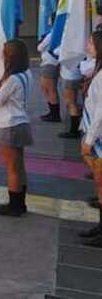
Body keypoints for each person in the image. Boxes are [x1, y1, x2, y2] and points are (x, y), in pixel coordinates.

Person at [0, 39, 33, 217]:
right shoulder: (27, 73)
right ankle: (20, 202)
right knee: (19, 165)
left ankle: (14, 205)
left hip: (9, 124)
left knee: (12, 167)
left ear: (11, 56)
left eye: (4, 51)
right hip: (21, 122)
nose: (1, 54)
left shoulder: (13, 79)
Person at [79, 31, 102, 246]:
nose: (88, 44)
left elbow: (101, 113)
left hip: (99, 139)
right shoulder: (97, 69)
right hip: (94, 136)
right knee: (99, 184)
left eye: (91, 42)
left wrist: (89, 139)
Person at [37, 23, 61, 123]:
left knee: (50, 89)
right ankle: (52, 112)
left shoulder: (52, 33)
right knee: (46, 88)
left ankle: (55, 114)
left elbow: (40, 47)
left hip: (49, 63)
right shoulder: (57, 33)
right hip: (50, 63)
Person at [58, 58, 84, 139]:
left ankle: (74, 130)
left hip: (70, 75)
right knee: (72, 102)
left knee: (71, 102)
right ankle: (76, 128)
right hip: (73, 73)